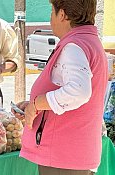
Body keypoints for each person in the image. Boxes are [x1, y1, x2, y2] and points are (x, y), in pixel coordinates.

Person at [12, 0, 108, 174]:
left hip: (63, 158)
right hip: (76, 154)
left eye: (52, 12)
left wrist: (37, 104)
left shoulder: (74, 45)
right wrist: (35, 106)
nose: (51, 18)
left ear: (62, 15)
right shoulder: (89, 41)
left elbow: (79, 91)